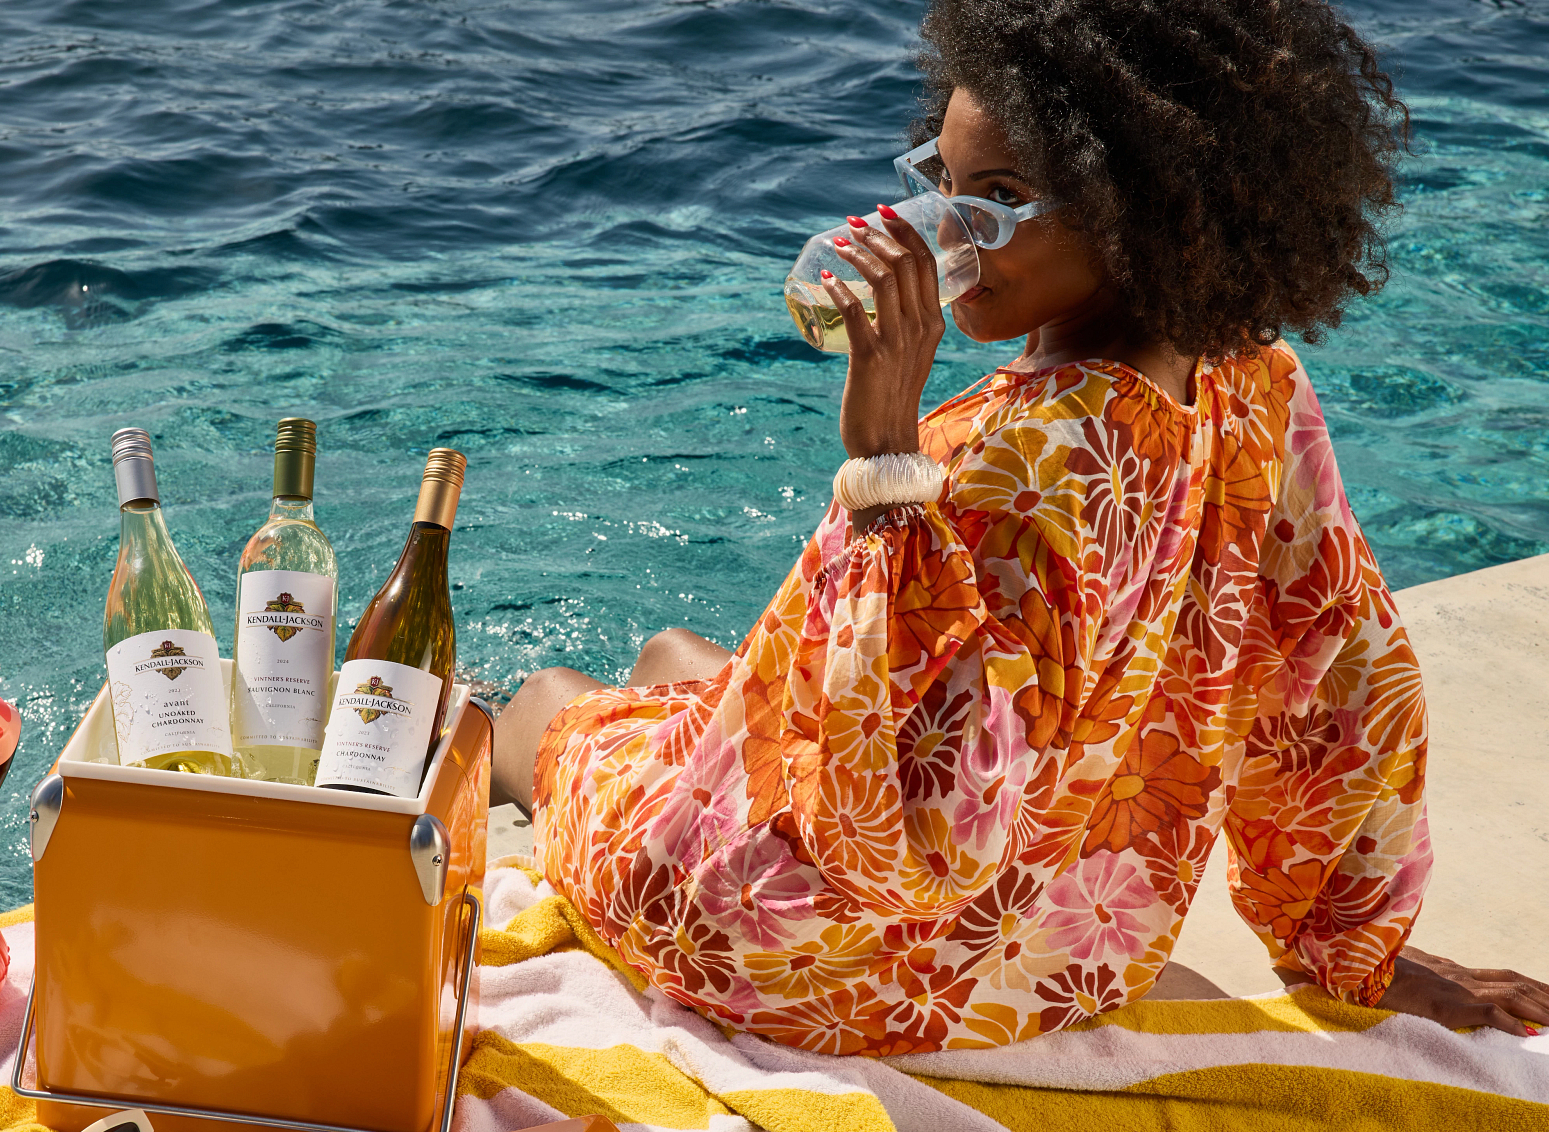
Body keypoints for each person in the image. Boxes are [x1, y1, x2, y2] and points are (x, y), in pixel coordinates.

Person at [491, 0, 1549, 1052]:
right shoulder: (1254, 384)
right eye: (942, 182)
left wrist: (883, 464)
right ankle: (657, 696)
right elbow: (1341, 676)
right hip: (1049, 958)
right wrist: (1350, 944)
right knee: (682, 662)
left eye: (999, 199)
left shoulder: (1003, 455)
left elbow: (901, 835)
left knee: (548, 703)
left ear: (1156, 208)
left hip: (801, 964)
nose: (947, 230)